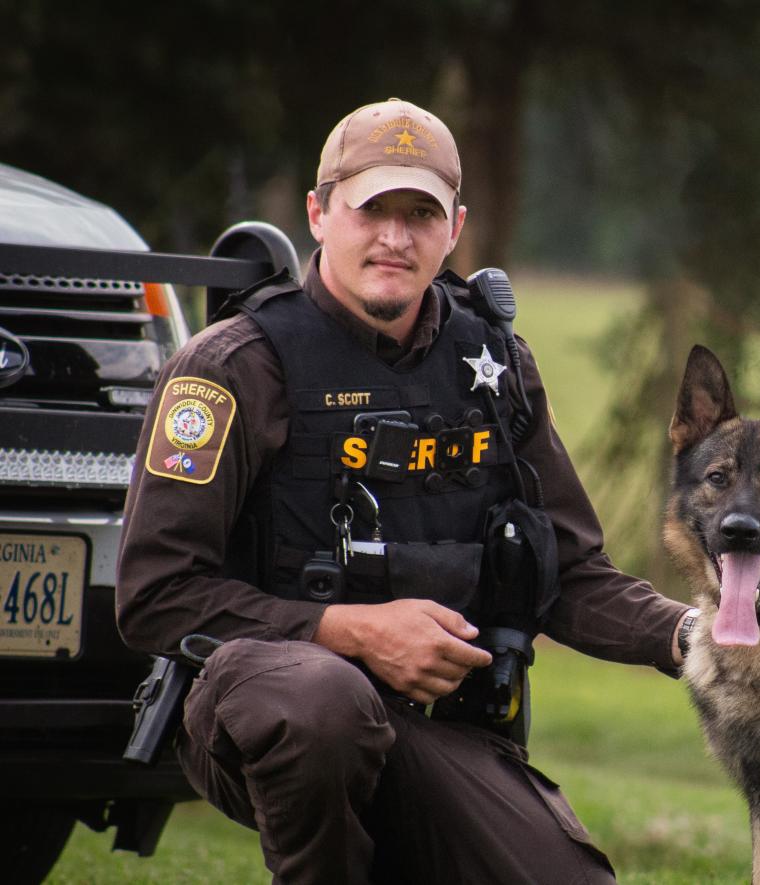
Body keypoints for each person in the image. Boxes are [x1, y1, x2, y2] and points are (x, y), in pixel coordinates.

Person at [116, 97, 695, 885]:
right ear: (321, 215)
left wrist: (692, 637)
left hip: (434, 724)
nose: (395, 237)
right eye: (372, 209)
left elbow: (570, 573)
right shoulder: (232, 367)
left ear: (454, 228)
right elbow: (155, 595)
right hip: (264, 703)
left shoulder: (492, 365)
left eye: (419, 213)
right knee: (322, 700)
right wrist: (351, 630)